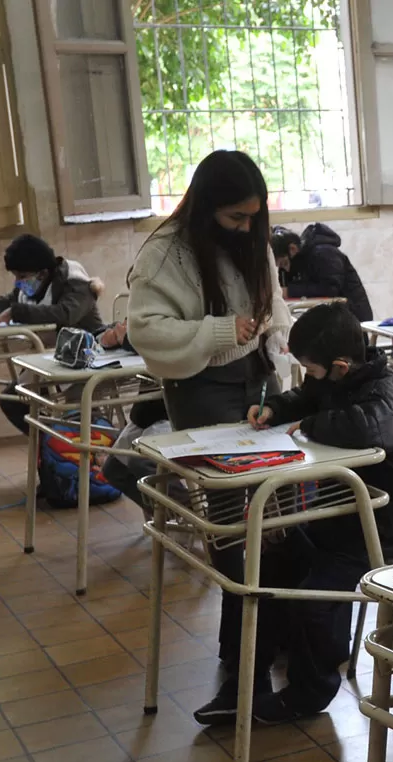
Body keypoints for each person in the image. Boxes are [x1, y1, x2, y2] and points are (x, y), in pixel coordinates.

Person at [188, 303, 393, 724]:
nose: (308, 377)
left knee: (314, 598)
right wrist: (277, 409)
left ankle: (309, 694)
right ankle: (246, 682)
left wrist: (312, 424)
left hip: (380, 526)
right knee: (266, 572)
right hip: (335, 518)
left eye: (311, 369)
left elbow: (375, 429)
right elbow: (305, 397)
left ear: (339, 366)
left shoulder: (382, 387)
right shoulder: (332, 381)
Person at [128, 149, 291, 668]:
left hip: (257, 378)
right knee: (226, 511)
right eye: (234, 218)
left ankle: (279, 624)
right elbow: (146, 330)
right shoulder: (166, 251)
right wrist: (219, 330)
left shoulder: (252, 237)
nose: (246, 229)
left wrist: (277, 342)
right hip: (203, 386)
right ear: (206, 207)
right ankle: (238, 637)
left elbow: (274, 305)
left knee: (278, 499)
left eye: (253, 217)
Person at [0, 234, 107, 433]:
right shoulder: (34, 286)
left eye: (22, 276)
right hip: (53, 360)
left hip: (86, 360)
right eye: (15, 276)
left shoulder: (77, 284)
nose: (18, 282)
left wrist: (16, 312)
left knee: (69, 412)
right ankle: (50, 451)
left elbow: (65, 314)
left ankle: (55, 449)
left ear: (42, 273)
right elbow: (4, 302)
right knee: (13, 401)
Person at [270, 223, 374, 322]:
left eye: (284, 263)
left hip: (352, 314)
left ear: (293, 249)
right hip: (334, 313)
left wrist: (289, 291)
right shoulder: (300, 259)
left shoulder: (324, 253)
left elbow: (329, 288)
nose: (286, 269)